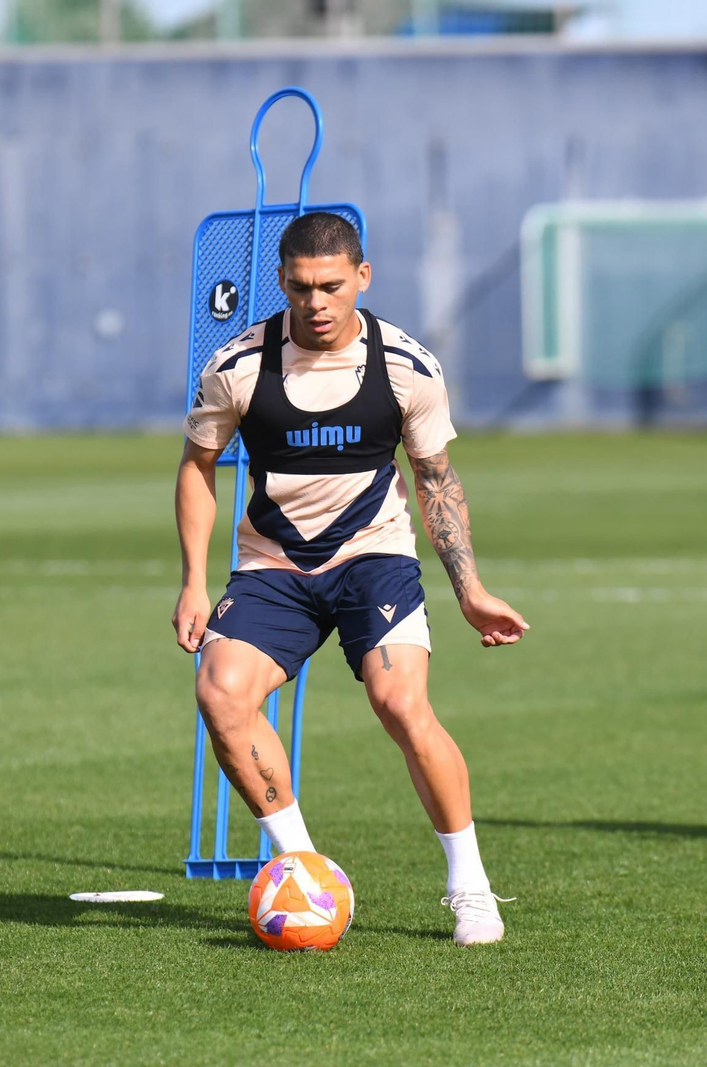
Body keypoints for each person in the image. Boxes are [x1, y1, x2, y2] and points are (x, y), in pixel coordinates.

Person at [171, 212, 528, 946]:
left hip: (375, 558)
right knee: (221, 692)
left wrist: (470, 590)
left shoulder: (407, 366)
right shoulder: (236, 366)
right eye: (301, 287)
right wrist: (193, 582)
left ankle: (471, 886)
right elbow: (197, 465)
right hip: (275, 564)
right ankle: (303, 869)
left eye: (332, 285)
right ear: (281, 283)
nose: (317, 303)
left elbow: (436, 480)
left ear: (362, 278)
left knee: (400, 701)